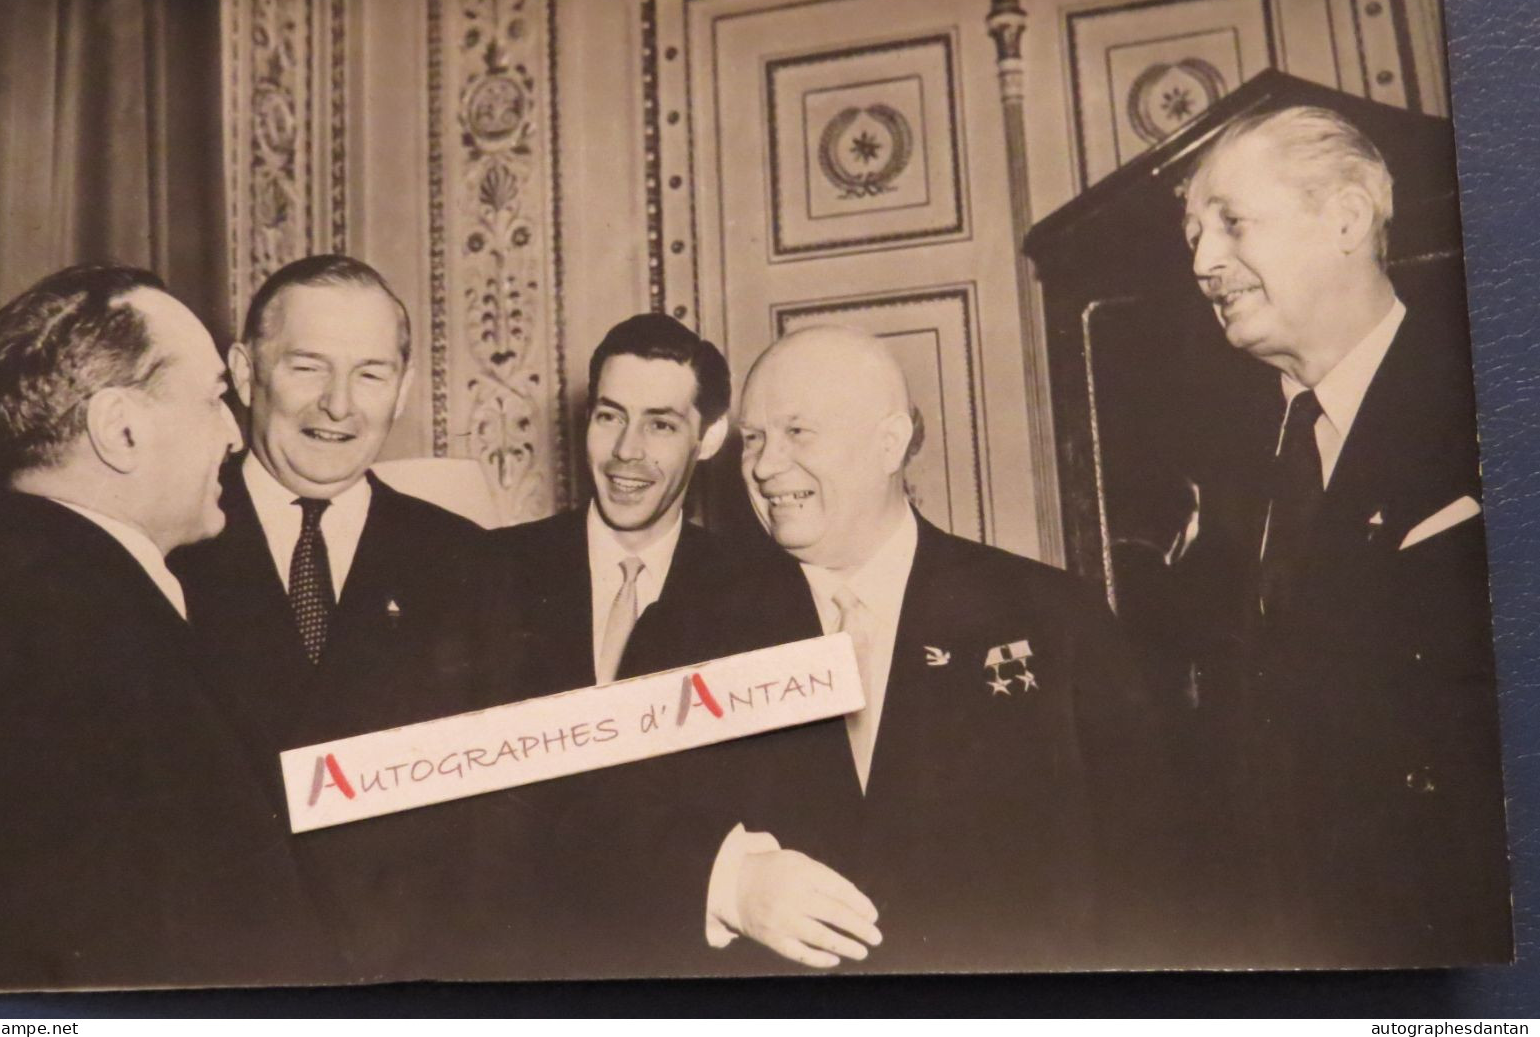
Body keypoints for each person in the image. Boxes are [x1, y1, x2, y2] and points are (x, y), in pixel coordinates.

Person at [689, 325, 1165, 974]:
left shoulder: (1054, 618)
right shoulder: (697, 633)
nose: (765, 466)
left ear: (889, 443)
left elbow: (1151, 869)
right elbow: (628, 829)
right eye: (753, 438)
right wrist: (729, 884)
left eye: (797, 432)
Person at [0, 265, 342, 990]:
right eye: (216, 399)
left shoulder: (17, 591)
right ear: (120, 429)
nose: (234, 432)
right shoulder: (72, 627)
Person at [1176, 105, 1510, 965]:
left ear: (1346, 220)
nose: (1204, 261)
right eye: (1193, 236)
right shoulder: (1224, 467)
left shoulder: (1484, 396)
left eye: (1231, 223)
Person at [169, 254, 493, 979]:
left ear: (403, 389)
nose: (339, 405)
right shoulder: (164, 538)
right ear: (246, 372)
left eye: (370, 374)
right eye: (308, 367)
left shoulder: (467, 561)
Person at [488, 312, 799, 699]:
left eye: (660, 425)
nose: (626, 450)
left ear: (709, 437)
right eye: (610, 417)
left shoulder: (763, 597)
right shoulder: (491, 568)